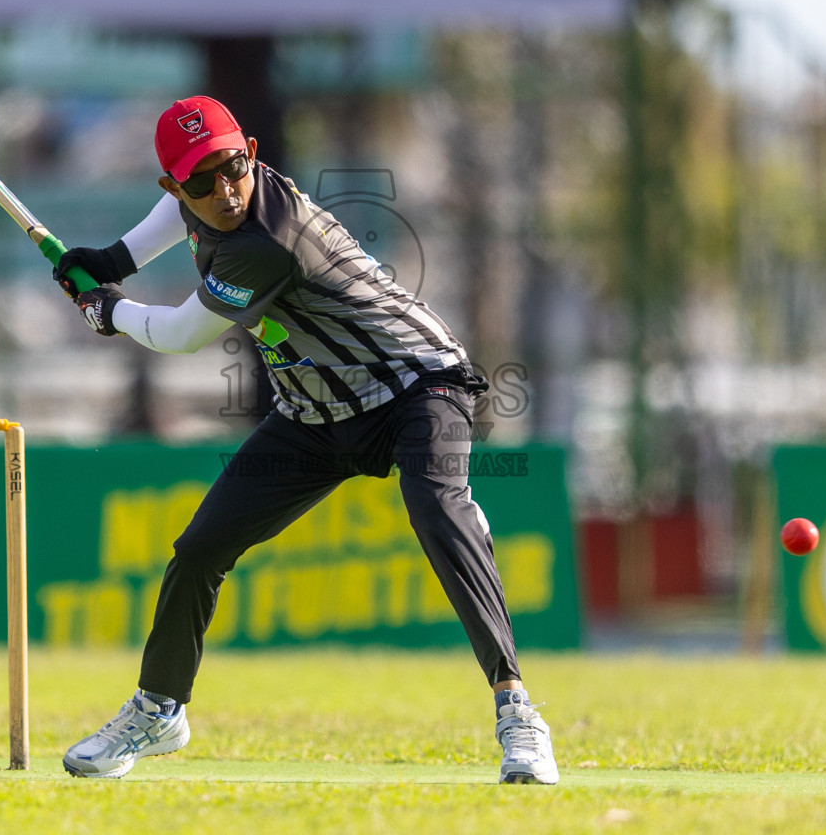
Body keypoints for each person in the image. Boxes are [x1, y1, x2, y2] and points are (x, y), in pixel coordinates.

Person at [51, 95, 558, 785]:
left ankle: (517, 713)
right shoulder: (202, 202)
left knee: (437, 509)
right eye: (201, 180)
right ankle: (161, 708)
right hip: (315, 416)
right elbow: (176, 218)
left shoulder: (266, 241)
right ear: (175, 187)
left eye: (233, 168)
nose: (225, 191)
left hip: (417, 385)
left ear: (252, 153)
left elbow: (179, 335)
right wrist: (113, 257)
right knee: (199, 550)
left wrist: (106, 308)